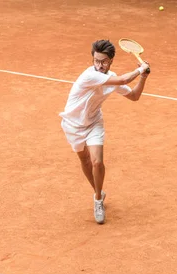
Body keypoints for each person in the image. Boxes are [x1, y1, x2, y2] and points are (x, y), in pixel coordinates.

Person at [59, 39, 150, 224]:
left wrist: (143, 77)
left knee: (97, 162)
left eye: (104, 61)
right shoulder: (89, 76)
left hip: (93, 122)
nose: (99, 65)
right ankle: (98, 191)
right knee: (84, 160)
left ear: (111, 61)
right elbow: (124, 79)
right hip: (73, 124)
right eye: (96, 60)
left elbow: (134, 96)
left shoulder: (110, 78)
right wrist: (141, 68)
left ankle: (98, 199)